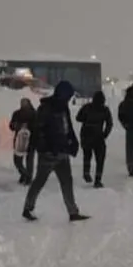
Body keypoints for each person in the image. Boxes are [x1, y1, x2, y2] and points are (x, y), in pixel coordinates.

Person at [22, 82, 90, 222]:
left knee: (67, 182)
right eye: (68, 95)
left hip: (62, 151)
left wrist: (73, 141)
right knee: (40, 181)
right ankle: (28, 208)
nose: (69, 98)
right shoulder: (46, 108)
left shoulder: (63, 107)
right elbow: (39, 131)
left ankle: (73, 212)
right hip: (48, 153)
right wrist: (46, 147)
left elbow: (68, 127)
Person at [76, 90, 114, 188]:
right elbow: (109, 124)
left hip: (86, 134)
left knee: (87, 155)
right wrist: (105, 134)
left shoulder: (87, 107)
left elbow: (78, 118)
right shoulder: (105, 109)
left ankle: (86, 173)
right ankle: (98, 180)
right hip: (98, 136)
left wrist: (87, 120)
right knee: (100, 159)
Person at [9, 97, 37, 185]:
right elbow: (11, 126)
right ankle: (24, 174)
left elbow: (38, 127)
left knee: (29, 161)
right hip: (19, 141)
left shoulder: (34, 114)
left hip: (31, 140)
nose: (23, 105)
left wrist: (29, 127)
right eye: (22, 103)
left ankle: (28, 178)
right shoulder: (16, 113)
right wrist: (16, 125)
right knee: (17, 161)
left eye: (25, 103)